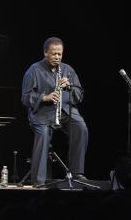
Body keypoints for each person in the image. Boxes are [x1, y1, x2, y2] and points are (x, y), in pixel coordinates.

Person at [21, 37, 88, 186]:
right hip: (42, 113)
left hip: (64, 111)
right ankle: (38, 181)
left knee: (81, 127)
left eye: (60, 54)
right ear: (45, 53)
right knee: (43, 134)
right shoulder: (34, 70)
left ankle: (77, 173)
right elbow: (25, 98)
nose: (57, 57)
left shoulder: (68, 70)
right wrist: (44, 97)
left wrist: (69, 87)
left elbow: (79, 95)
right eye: (53, 54)